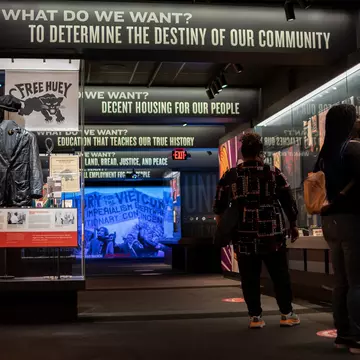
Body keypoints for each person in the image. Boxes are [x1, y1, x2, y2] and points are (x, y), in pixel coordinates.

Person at [213, 132, 300, 329]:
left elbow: (218, 207)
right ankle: (287, 314)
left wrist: (226, 228)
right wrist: (293, 224)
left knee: (249, 276)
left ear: (242, 154)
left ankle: (255, 317)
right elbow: (288, 201)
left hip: (243, 234)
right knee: (280, 275)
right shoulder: (273, 172)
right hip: (272, 233)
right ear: (260, 152)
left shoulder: (231, 176)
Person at [315, 104, 360, 354]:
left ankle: (343, 333)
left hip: (329, 222)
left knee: (341, 281)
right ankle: (356, 335)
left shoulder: (324, 154)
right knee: (357, 282)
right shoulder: (352, 149)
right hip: (352, 221)